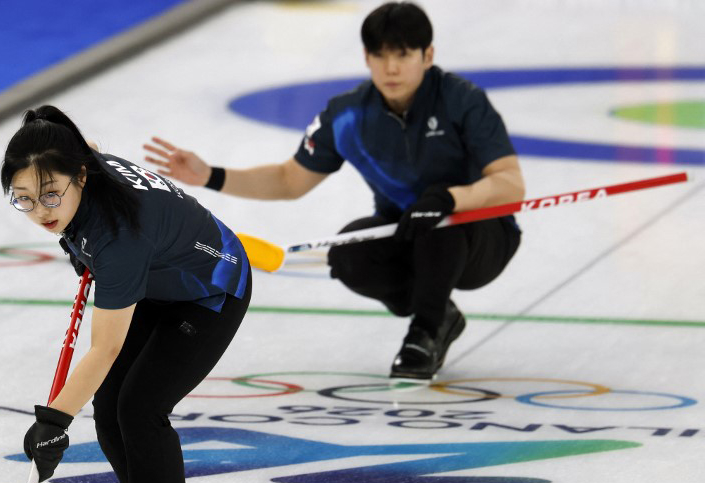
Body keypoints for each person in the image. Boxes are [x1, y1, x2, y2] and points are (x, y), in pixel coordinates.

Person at [144, 1, 524, 382]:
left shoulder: (463, 101)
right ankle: (440, 314)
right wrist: (211, 175)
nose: (391, 67)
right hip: (405, 229)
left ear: (428, 56)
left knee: (439, 225)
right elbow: (289, 180)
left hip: (480, 234)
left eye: (403, 55)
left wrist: (451, 199)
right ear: (366, 57)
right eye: (380, 55)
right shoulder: (347, 115)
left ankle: (425, 330)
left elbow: (510, 184)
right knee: (348, 256)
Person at [3, 105, 251, 483]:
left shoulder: (119, 238)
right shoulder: (82, 165)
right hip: (156, 282)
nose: (41, 212)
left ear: (81, 176)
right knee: (112, 403)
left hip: (210, 290)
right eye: (25, 199)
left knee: (139, 406)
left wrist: (53, 421)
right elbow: (90, 146)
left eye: (52, 195)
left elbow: (105, 347)